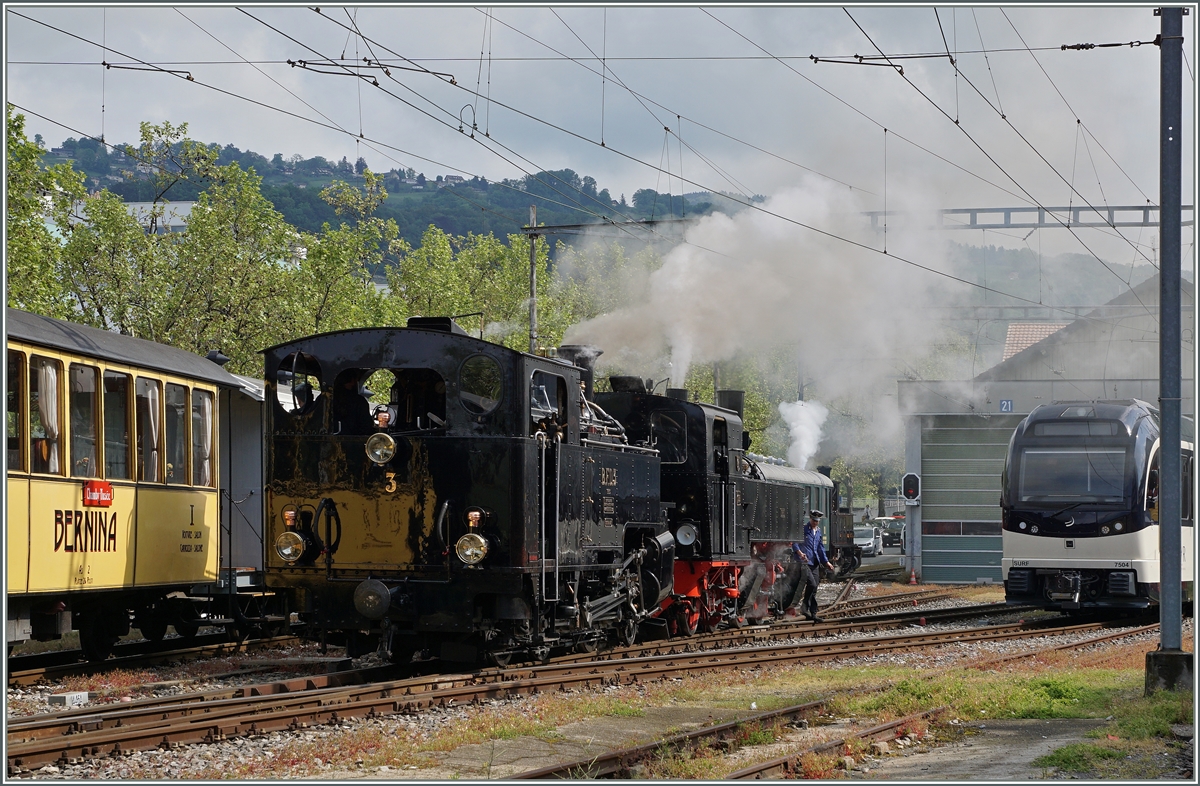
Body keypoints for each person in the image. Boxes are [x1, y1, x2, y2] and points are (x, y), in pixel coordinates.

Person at [792, 510, 836, 622]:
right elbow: (795, 542)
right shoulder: (803, 530)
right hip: (804, 562)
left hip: (815, 562)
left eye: (817, 521)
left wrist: (826, 562)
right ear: (810, 519)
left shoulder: (818, 532)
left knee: (815, 586)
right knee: (811, 584)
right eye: (813, 520)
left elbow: (820, 548)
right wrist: (800, 553)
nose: (815, 523)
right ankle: (805, 607)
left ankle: (812, 612)